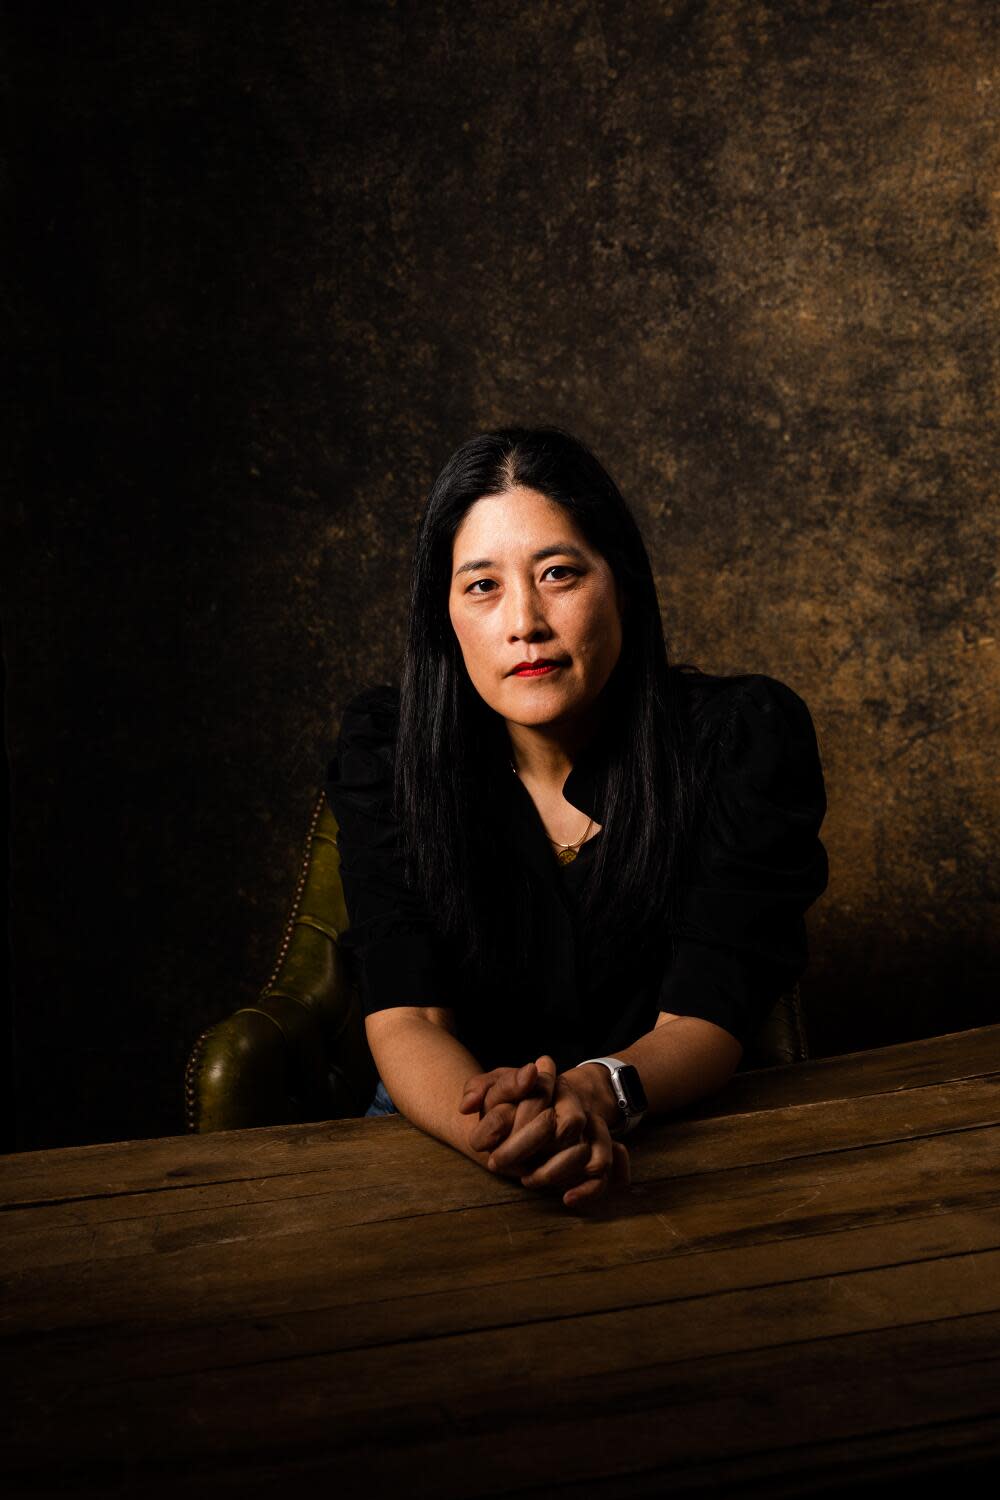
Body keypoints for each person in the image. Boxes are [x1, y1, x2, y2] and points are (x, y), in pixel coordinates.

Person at [326, 427, 828, 1208]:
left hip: (663, 1119)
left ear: (620, 582)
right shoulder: (388, 754)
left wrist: (596, 1096)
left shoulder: (739, 742)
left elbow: (705, 1013)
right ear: (445, 617)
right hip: (445, 1129)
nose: (524, 621)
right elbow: (409, 1017)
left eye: (558, 573)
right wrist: (502, 1139)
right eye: (481, 586)